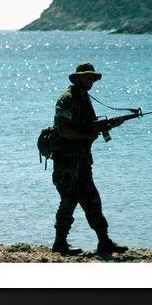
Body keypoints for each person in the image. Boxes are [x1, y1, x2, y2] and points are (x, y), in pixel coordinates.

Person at [50, 63, 128, 254]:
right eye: (86, 76)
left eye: (92, 77)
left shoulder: (86, 98)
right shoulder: (67, 99)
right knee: (69, 200)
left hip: (83, 161)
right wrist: (86, 136)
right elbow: (63, 130)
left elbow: (90, 126)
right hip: (66, 162)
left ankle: (104, 241)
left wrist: (110, 125)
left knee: (92, 200)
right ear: (77, 78)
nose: (90, 79)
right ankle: (59, 243)